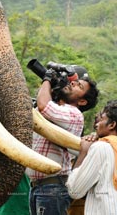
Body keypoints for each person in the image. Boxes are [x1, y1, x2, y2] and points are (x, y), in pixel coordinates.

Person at [26, 70, 99, 215]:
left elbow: (43, 106)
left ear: (82, 101)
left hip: (52, 188)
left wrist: (46, 79)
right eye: (74, 82)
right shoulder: (57, 110)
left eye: (79, 86)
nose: (72, 83)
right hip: (38, 187)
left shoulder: (74, 114)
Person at [66, 100, 117, 215]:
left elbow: (75, 190)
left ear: (112, 125)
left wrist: (83, 152)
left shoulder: (100, 148)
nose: (96, 124)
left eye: (102, 119)